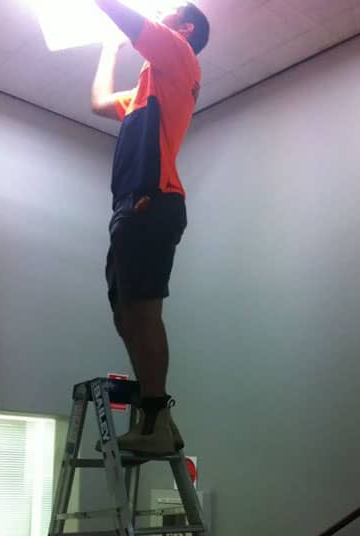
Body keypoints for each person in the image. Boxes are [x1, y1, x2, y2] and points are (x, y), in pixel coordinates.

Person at [91, 1, 210, 455]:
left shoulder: (179, 53)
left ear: (185, 27)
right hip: (130, 205)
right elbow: (99, 102)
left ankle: (156, 418)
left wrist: (114, 21)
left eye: (169, 8)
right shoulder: (149, 87)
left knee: (142, 312)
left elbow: (125, 17)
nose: (159, 11)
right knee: (124, 314)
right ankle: (158, 419)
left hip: (152, 199)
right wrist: (109, 48)